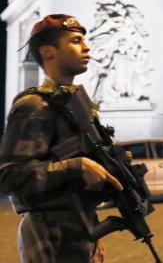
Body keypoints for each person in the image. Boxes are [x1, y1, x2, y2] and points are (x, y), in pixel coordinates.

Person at [0, 14, 123, 263]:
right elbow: (8, 177)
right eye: (76, 41)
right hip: (48, 234)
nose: (87, 47)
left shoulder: (77, 107)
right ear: (48, 52)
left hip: (80, 228)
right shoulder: (34, 105)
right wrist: (75, 166)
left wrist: (93, 233)